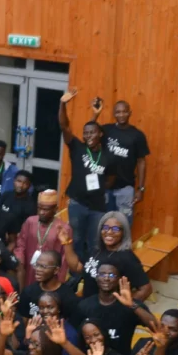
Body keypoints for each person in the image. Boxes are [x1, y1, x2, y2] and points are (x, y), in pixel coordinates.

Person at [58, 89, 111, 260]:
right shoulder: (78, 148)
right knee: (76, 241)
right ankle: (76, 272)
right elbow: (64, 126)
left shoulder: (107, 155)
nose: (88, 136)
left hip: (98, 207)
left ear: (100, 134)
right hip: (77, 204)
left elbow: (111, 178)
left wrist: (95, 115)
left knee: (95, 244)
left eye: (92, 133)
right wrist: (62, 104)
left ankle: (91, 272)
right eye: (85, 133)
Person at [96, 98, 150, 219]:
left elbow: (141, 162)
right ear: (114, 114)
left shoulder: (137, 135)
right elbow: (89, 133)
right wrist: (96, 114)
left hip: (125, 189)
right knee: (103, 223)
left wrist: (141, 188)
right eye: (118, 112)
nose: (121, 115)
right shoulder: (106, 130)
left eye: (124, 111)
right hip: (105, 188)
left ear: (130, 113)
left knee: (123, 223)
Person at [13, 191, 74, 286]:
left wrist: (59, 280)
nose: (41, 212)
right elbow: (21, 244)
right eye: (39, 208)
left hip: (50, 274)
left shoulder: (63, 228)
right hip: (29, 269)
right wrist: (20, 261)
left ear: (55, 209)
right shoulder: (30, 221)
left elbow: (65, 257)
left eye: (46, 210)